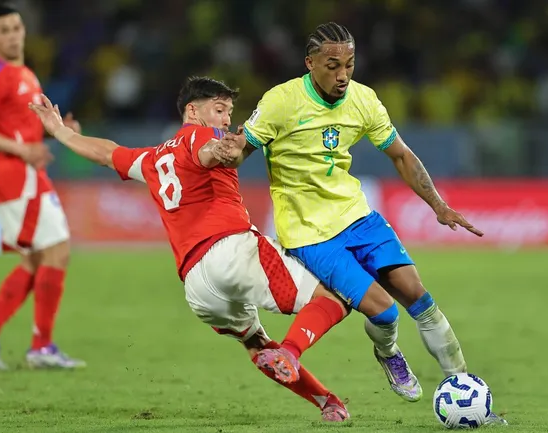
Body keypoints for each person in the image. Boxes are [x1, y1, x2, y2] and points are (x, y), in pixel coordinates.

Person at [219, 22, 506, 425]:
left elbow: (402, 156)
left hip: (359, 217)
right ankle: (388, 353)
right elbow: (239, 154)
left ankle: (462, 386)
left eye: (350, 65)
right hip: (310, 234)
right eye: (333, 65)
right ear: (310, 63)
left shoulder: (364, 100)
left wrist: (438, 206)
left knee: (418, 296)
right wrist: (226, 149)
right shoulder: (281, 102)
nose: (342, 75)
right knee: (385, 313)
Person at [28, 77, 351, 422]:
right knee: (335, 297)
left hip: (198, 286)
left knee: (257, 346)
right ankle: (293, 350)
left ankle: (328, 402)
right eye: (219, 109)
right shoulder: (204, 135)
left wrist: (60, 132)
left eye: (229, 111)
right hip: (231, 249)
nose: (227, 119)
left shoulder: (152, 158)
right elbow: (205, 153)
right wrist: (219, 151)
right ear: (193, 111)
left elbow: (107, 154)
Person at [0, 3, 84, 370]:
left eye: (17, 27)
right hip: (17, 179)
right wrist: (20, 149)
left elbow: (27, 133)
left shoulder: (25, 74)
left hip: (28, 177)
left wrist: (62, 131)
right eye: (4, 30)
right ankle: (39, 347)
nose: (13, 35)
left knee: (36, 258)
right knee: (56, 251)